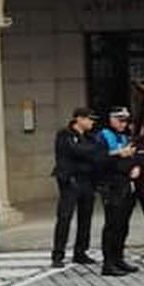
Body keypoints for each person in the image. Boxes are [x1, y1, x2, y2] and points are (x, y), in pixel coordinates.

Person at [51, 107, 101, 268]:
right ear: (78, 119)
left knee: (85, 217)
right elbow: (75, 151)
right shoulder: (65, 134)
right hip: (70, 180)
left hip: (87, 180)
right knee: (65, 217)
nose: (91, 122)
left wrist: (89, 151)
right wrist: (88, 151)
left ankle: (81, 252)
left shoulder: (89, 137)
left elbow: (95, 152)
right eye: (89, 119)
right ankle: (58, 254)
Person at [96, 107, 141, 276]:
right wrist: (118, 153)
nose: (124, 124)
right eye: (120, 120)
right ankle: (108, 263)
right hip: (111, 185)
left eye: (126, 120)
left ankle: (118, 258)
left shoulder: (124, 136)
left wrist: (136, 165)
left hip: (126, 184)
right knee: (112, 225)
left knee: (123, 225)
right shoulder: (103, 136)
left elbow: (136, 154)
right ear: (111, 119)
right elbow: (98, 160)